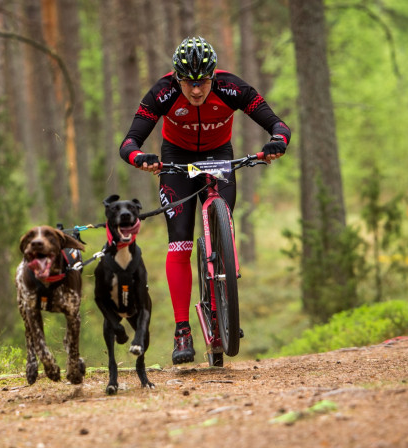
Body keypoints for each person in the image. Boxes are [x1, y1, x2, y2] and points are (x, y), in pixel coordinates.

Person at [119, 36, 292, 365]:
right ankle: (182, 329)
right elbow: (128, 142)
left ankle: (223, 290)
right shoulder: (163, 93)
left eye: (203, 83)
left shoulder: (232, 88)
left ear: (214, 77)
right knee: (180, 243)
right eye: (188, 82)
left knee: (224, 219)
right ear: (177, 77)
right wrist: (141, 157)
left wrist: (276, 142)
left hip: (219, 157)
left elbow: (278, 125)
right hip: (176, 162)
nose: (196, 91)